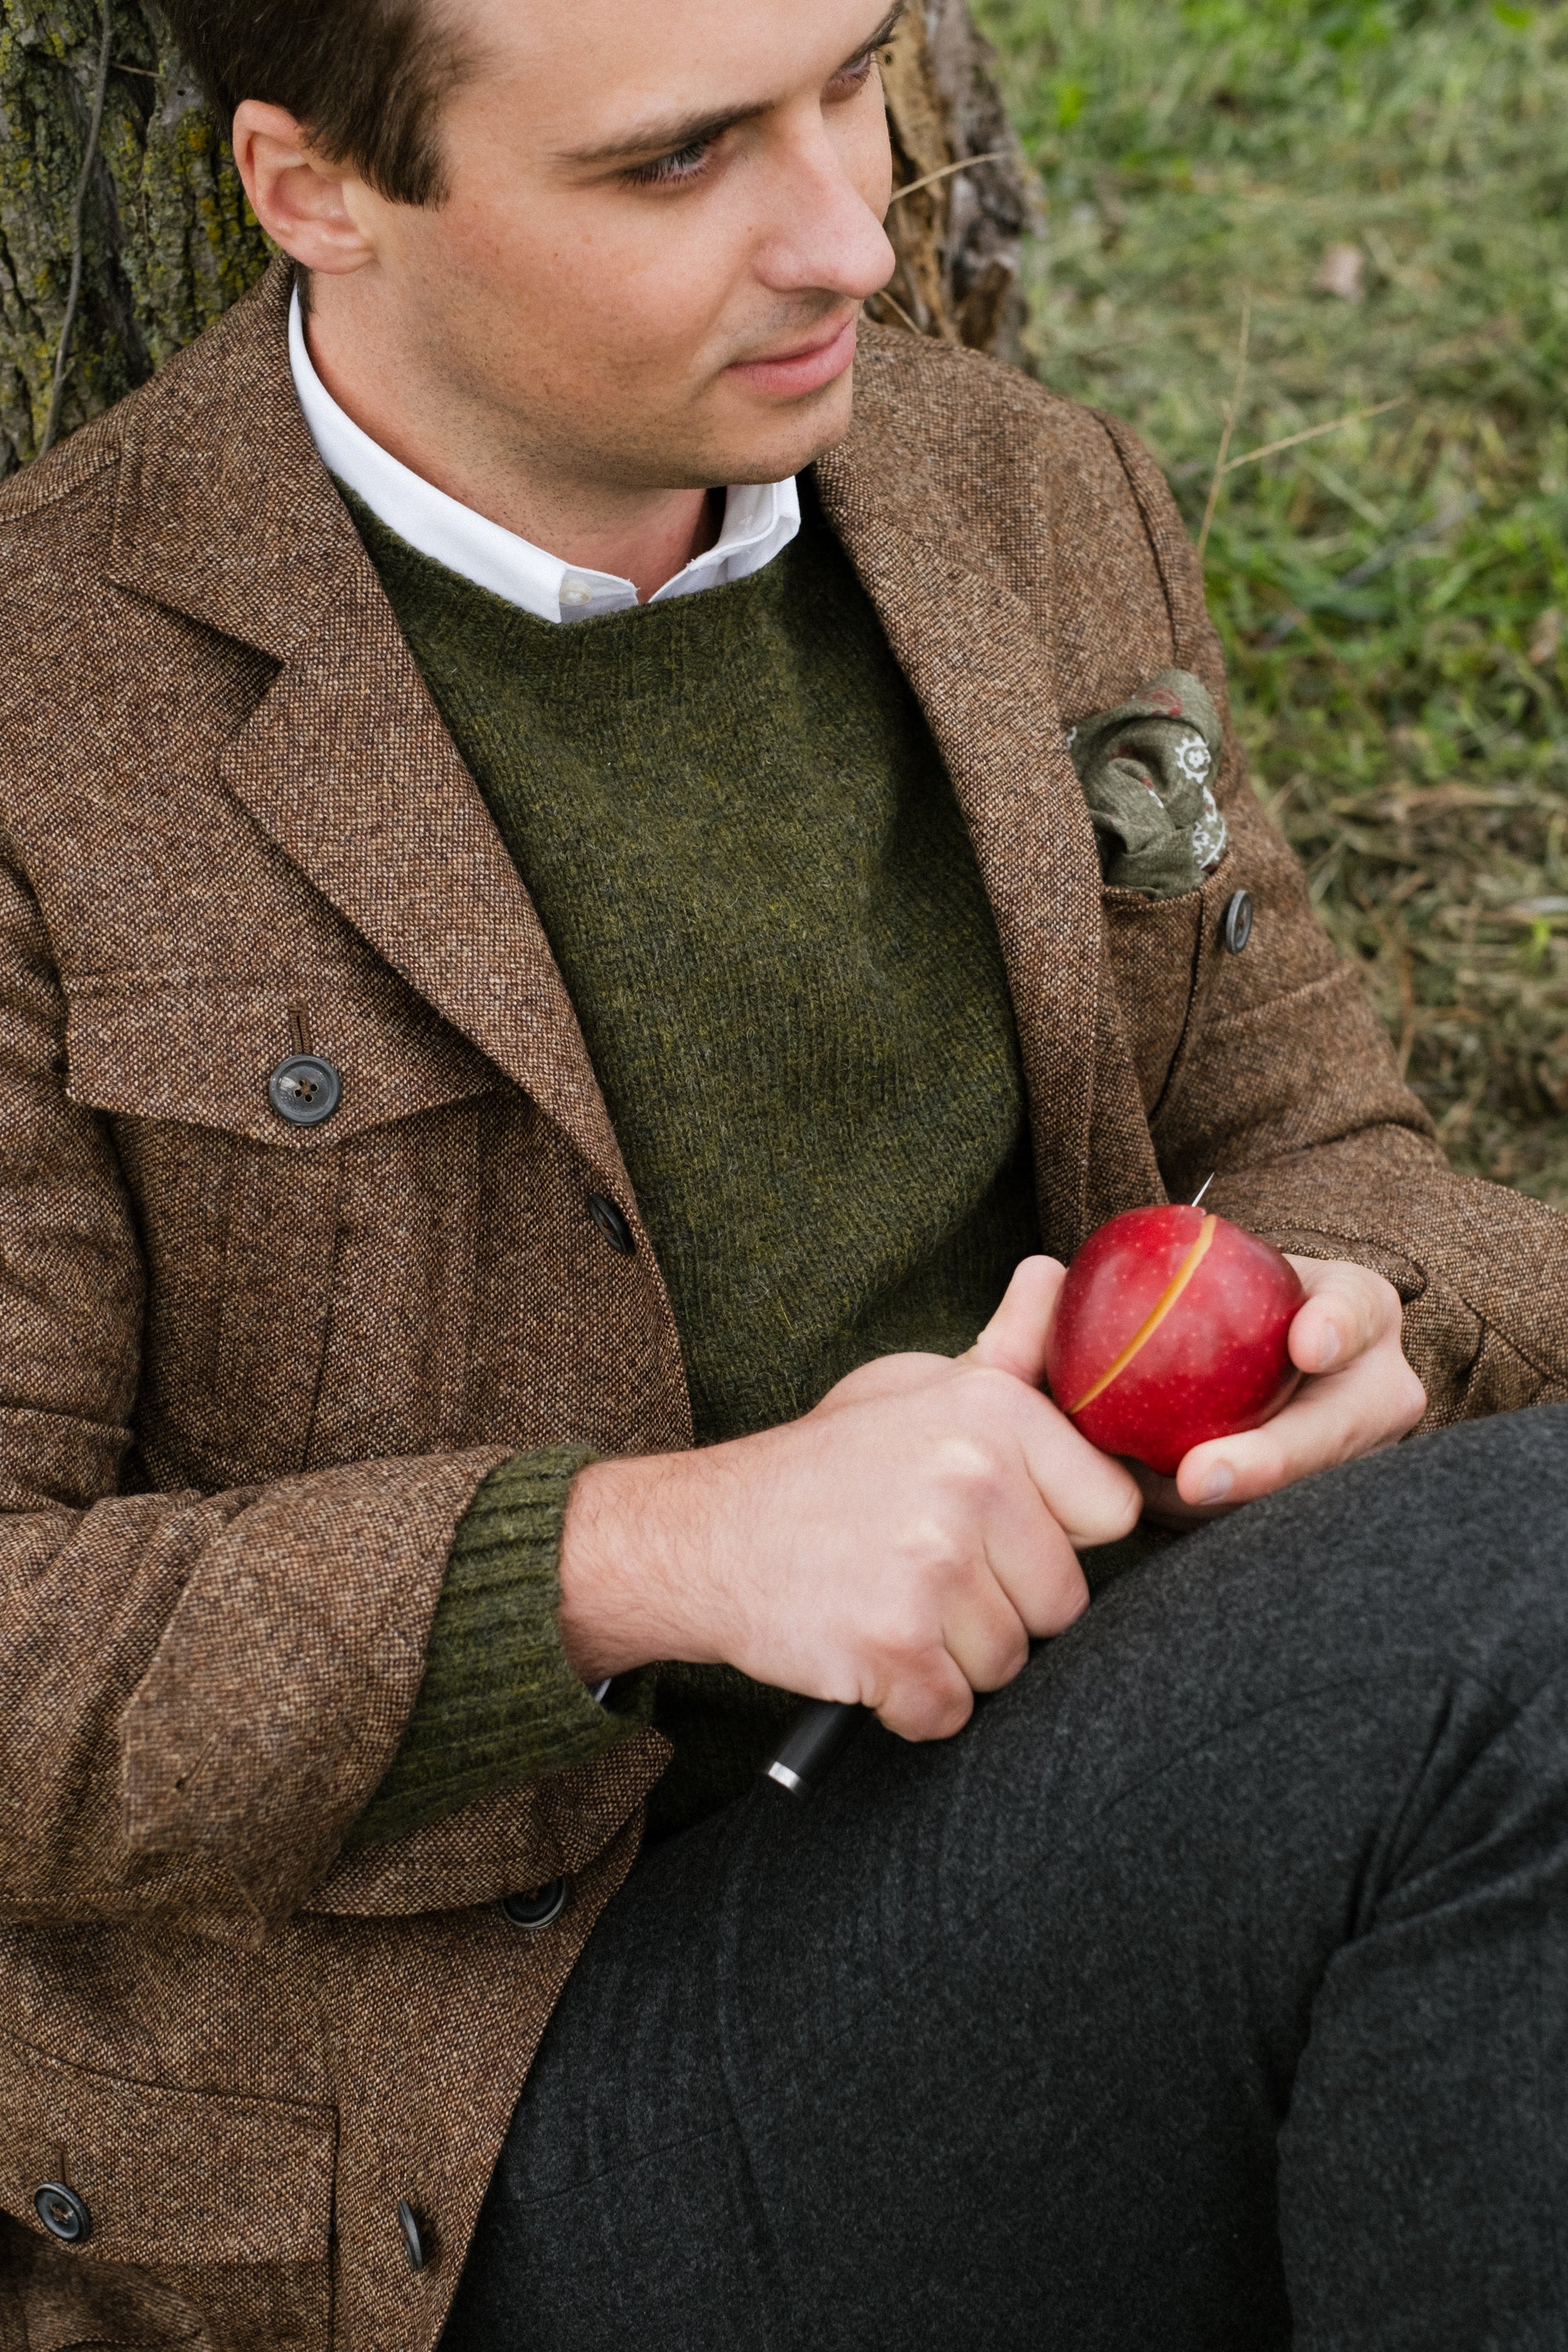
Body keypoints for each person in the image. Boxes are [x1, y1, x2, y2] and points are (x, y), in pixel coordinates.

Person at [0, 0, 1564, 2343]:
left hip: (1083, 1829)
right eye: (675, 160)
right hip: (483, 2122)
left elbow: (1334, 1151)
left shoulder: (1029, 501)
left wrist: (1381, 1332)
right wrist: (645, 1555)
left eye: (851, 77)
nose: (849, 228)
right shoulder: (50, 712)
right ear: (310, 186)